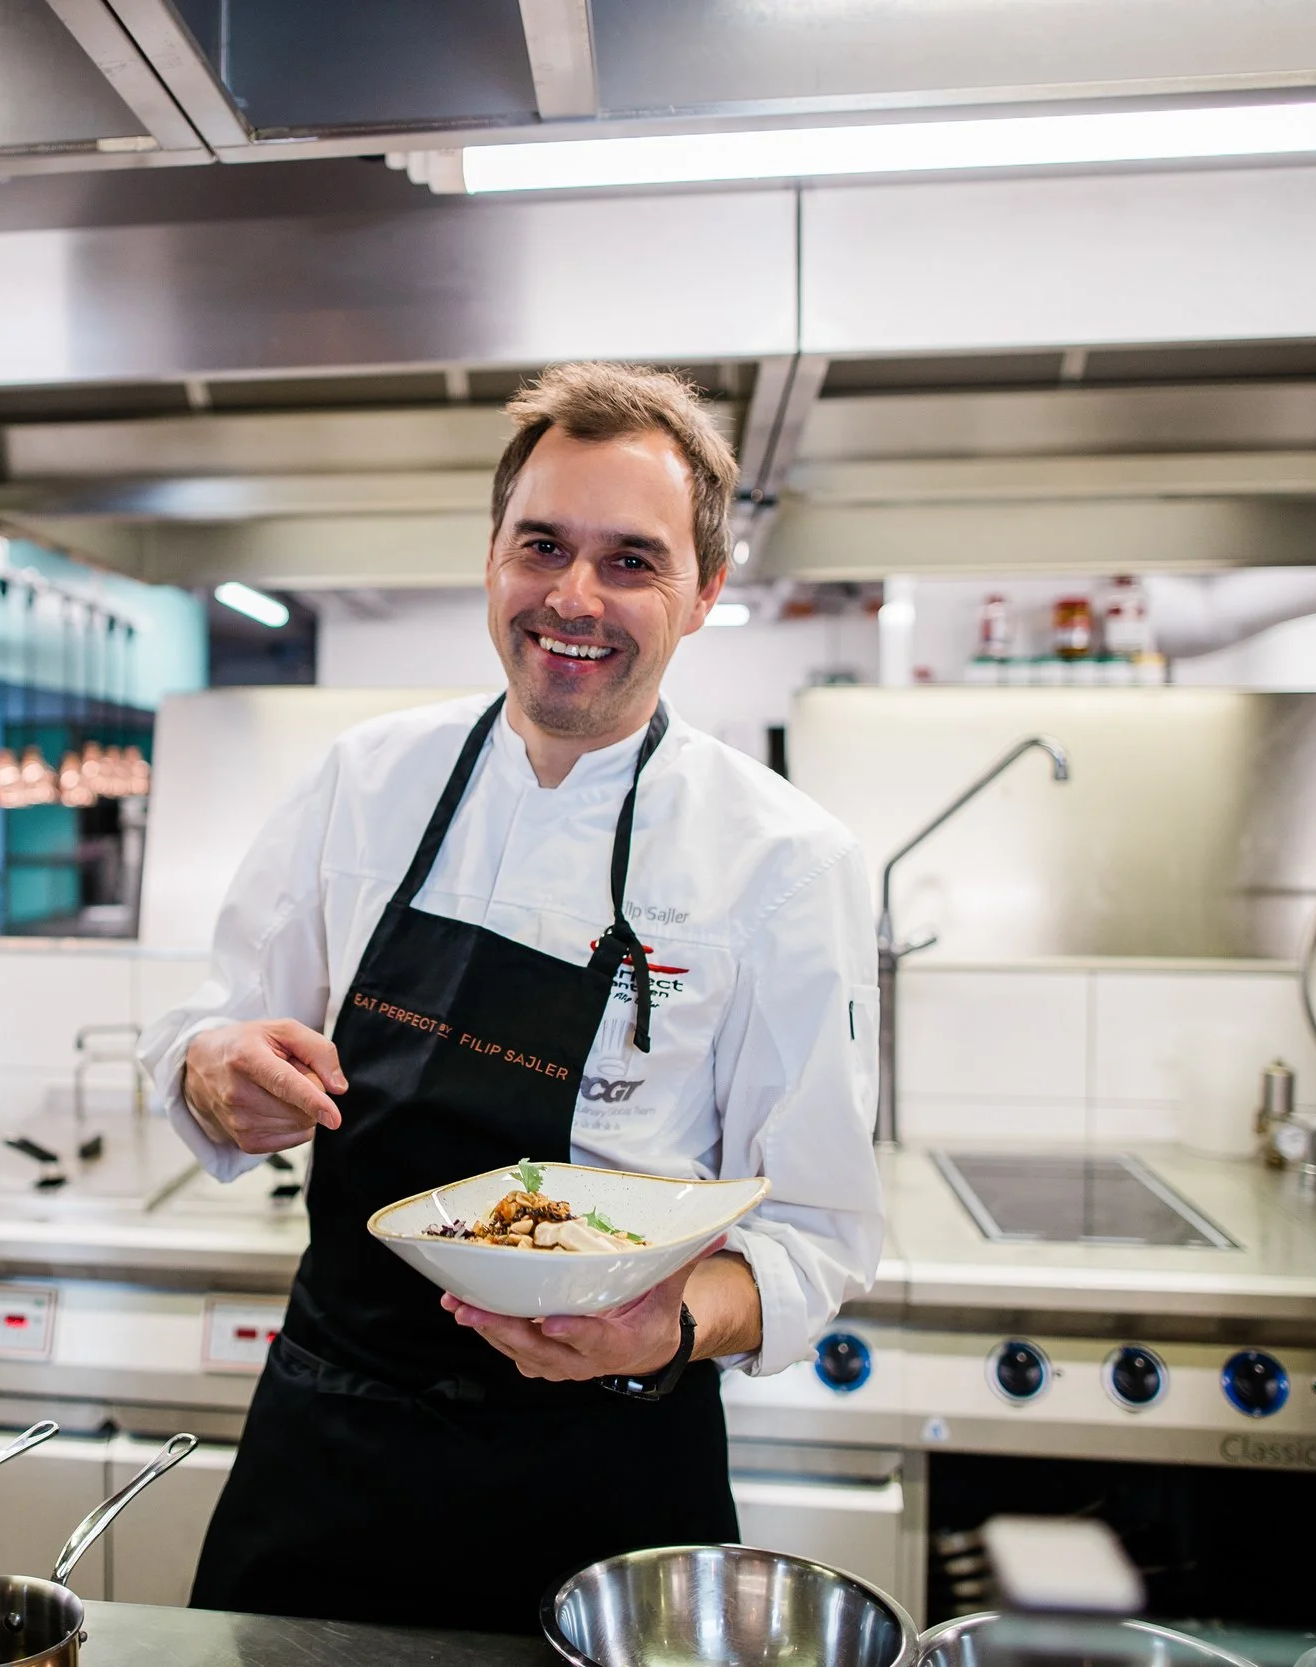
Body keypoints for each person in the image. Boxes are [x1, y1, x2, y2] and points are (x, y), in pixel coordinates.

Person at [138, 362, 882, 1633]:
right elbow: (206, 1026)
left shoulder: (781, 860)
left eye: (631, 561)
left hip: (604, 1464)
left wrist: (666, 1325)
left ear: (706, 592)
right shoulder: (362, 782)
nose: (572, 597)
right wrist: (213, 1067)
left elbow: (816, 1234)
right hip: (333, 1431)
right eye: (542, 544)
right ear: (491, 555)